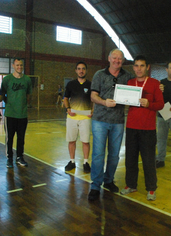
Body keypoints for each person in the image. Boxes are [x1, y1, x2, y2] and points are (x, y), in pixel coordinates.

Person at [88, 48, 133, 201]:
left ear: (123, 61)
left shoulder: (128, 76)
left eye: (120, 58)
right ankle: (95, 185)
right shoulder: (99, 75)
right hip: (100, 120)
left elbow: (139, 89)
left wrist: (158, 87)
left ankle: (108, 180)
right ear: (109, 59)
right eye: (114, 58)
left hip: (118, 122)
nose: (117, 61)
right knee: (98, 154)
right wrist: (104, 102)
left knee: (114, 155)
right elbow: (93, 96)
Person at [120, 55, 164, 201]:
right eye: (136, 66)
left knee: (148, 160)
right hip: (132, 127)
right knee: (130, 159)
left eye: (142, 66)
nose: (139, 69)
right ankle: (131, 185)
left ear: (147, 67)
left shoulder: (155, 83)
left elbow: (161, 105)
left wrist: (149, 104)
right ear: (133, 68)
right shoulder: (130, 82)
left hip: (148, 129)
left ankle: (151, 189)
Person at [1, 58, 32, 168]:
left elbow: (28, 95)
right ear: (13, 65)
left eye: (21, 65)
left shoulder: (27, 80)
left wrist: (22, 104)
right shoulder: (7, 80)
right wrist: (9, 103)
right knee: (10, 137)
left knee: (21, 137)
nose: (20, 67)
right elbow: (2, 93)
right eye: (17, 65)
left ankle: (20, 157)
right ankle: (9, 158)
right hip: (10, 114)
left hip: (22, 114)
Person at [63, 61, 93, 173]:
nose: (81, 71)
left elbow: (94, 99)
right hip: (72, 117)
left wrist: (93, 110)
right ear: (76, 70)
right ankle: (72, 161)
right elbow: (66, 98)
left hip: (85, 117)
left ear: (86, 70)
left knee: (85, 141)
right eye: (79, 69)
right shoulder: (71, 84)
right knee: (71, 140)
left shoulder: (91, 85)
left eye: (83, 69)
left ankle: (85, 162)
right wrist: (67, 108)